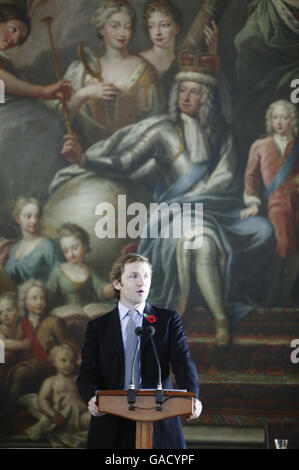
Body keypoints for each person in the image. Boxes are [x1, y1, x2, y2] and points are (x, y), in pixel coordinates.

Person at [58, 50, 274, 347]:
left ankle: (237, 294)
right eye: (182, 90)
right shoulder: (163, 130)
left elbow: (224, 179)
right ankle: (221, 318)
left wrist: (201, 200)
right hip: (175, 214)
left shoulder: (222, 135)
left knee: (263, 230)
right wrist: (83, 160)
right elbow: (124, 161)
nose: (186, 97)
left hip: (217, 208)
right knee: (202, 242)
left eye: (194, 91)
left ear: (208, 98)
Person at [77, 253, 201, 449]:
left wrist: (192, 398)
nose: (141, 282)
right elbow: (87, 373)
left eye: (146, 276)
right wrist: (92, 397)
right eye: (133, 276)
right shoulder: (98, 327)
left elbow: (183, 363)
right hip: (111, 422)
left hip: (159, 421)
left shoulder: (168, 320)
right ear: (117, 283)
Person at [60, 0, 163, 151]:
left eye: (127, 27)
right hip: (87, 155)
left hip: (133, 157)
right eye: (115, 26)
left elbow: (155, 123)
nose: (122, 33)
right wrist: (84, 93)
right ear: (102, 29)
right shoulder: (81, 70)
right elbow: (61, 117)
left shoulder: (146, 71)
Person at [241, 100, 299, 306]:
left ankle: (286, 293)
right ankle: (273, 293)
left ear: (293, 120)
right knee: (282, 244)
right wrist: (253, 203)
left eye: (285, 117)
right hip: (276, 203)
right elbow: (251, 178)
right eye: (276, 117)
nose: (280, 122)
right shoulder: (260, 146)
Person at [140, 0, 219, 105]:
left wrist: (212, 54)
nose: (157, 32)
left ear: (177, 28)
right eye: (152, 26)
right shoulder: (139, 61)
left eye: (164, 25)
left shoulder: (187, 61)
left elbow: (207, 96)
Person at [19, 344, 90, 445]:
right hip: (61, 416)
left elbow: (89, 383)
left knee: (94, 418)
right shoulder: (51, 381)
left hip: (79, 416)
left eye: (72, 361)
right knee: (50, 423)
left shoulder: (76, 379)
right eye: (64, 360)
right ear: (53, 362)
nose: (68, 364)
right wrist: (52, 414)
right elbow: (42, 399)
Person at [47, 223, 114, 310]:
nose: (71, 254)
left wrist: (116, 286)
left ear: (84, 247)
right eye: (66, 251)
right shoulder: (58, 271)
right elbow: (48, 296)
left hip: (89, 312)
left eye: (75, 248)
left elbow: (101, 290)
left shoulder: (89, 270)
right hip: (67, 314)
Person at [4, 196, 63, 285]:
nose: (34, 221)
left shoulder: (48, 245)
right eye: (29, 216)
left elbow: (61, 276)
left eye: (37, 216)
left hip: (43, 297)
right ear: (18, 218)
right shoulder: (15, 248)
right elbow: (7, 277)